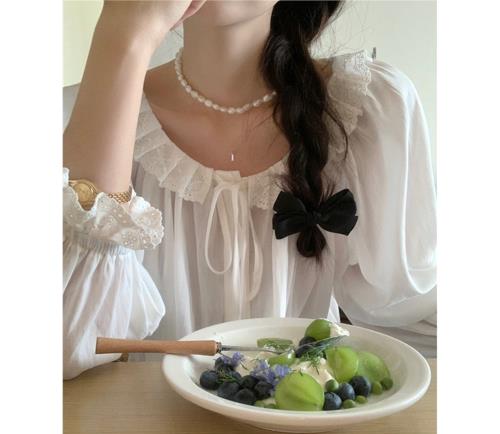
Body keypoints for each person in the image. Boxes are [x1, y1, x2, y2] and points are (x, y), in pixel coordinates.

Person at [63, 0, 437, 379]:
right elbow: (66, 345)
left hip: (304, 412)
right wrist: (122, 37)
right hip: (149, 416)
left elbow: (413, 310)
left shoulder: (370, 110)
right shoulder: (75, 122)